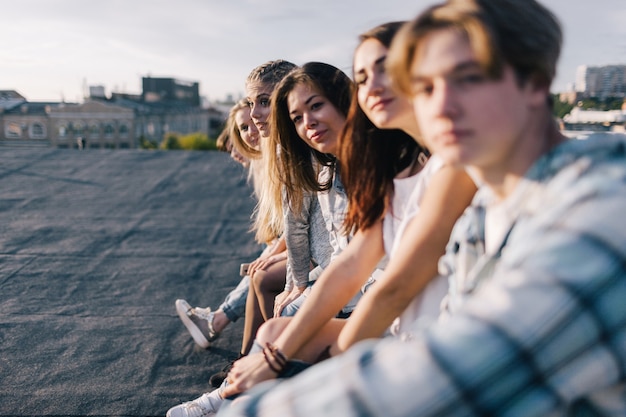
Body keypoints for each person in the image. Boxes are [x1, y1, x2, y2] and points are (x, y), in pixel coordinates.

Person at [220, 1, 626, 416]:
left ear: (535, 83)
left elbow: (464, 368)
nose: (442, 105)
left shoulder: (602, 205)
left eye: (468, 78)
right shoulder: (492, 197)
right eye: (425, 87)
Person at [217, 21, 476, 403]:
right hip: (400, 320)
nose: (372, 86)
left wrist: (310, 361)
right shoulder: (398, 164)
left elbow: (392, 285)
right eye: (363, 77)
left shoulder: (452, 163)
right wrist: (280, 350)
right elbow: (353, 261)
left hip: (429, 345)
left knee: (277, 347)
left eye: (385, 69)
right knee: (273, 334)